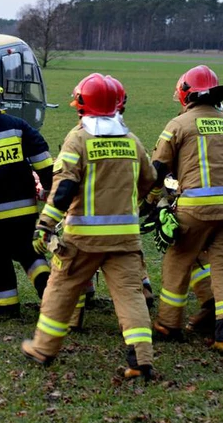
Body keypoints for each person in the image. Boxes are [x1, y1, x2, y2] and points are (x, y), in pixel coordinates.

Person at [20, 74, 156, 380]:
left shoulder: (78, 139)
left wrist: (45, 224)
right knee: (131, 296)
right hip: (125, 239)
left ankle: (43, 348)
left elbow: (64, 187)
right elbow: (148, 181)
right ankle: (142, 359)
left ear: (82, 106)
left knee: (60, 289)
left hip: (83, 239)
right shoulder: (132, 141)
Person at [148, 65, 223, 354]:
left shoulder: (178, 125)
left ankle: (168, 325)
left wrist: (149, 203)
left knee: (177, 261)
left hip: (196, 208)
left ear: (186, 94)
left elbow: (157, 170)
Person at [0, 76, 54, 317]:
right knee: (29, 253)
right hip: (24, 209)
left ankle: (5, 307)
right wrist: (47, 187)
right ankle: (49, 292)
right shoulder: (17, 125)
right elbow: (43, 161)